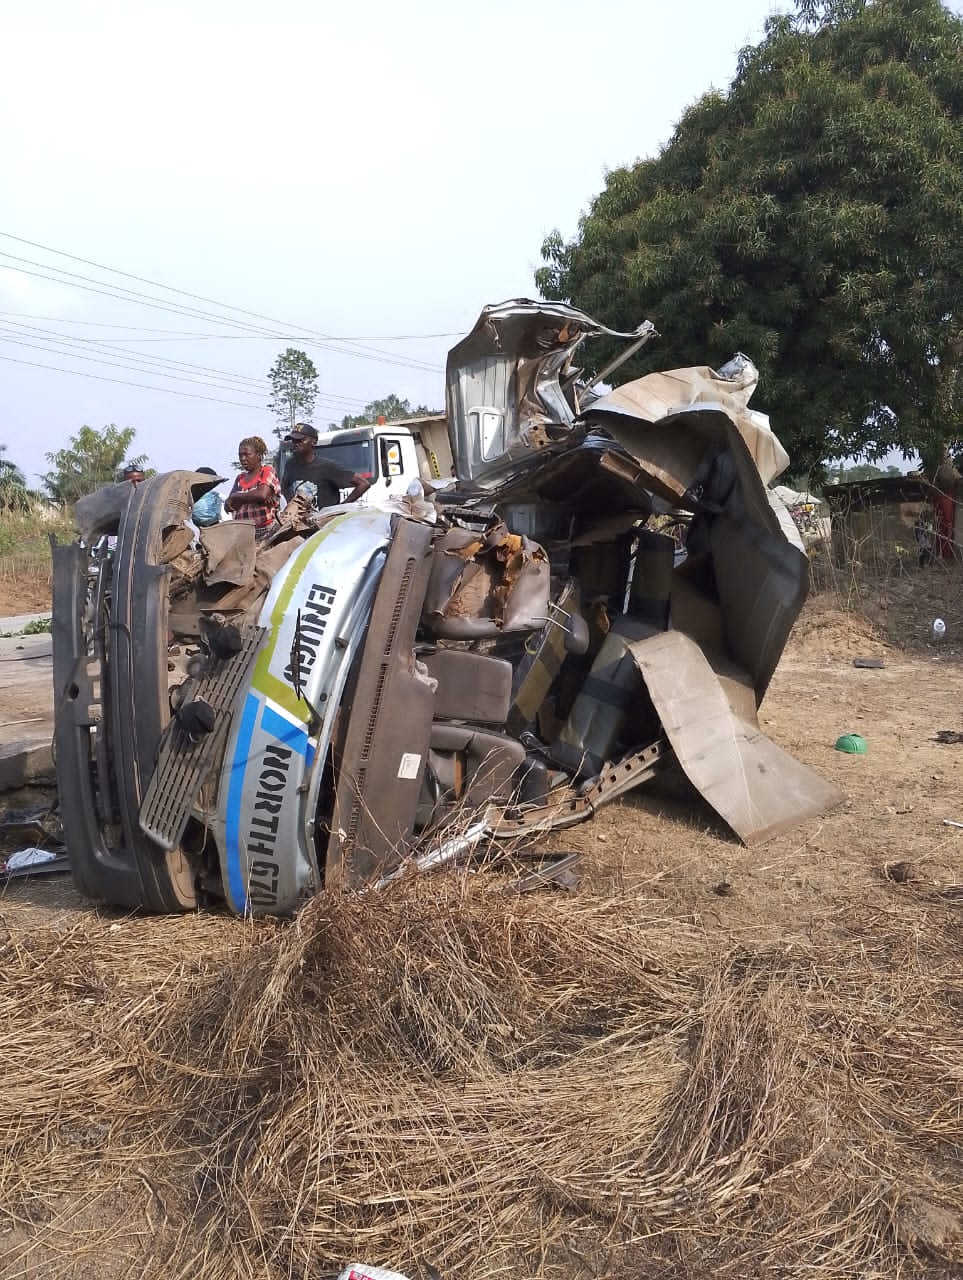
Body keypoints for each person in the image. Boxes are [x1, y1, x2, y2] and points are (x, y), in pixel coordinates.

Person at [280, 423, 370, 508]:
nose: (295, 443)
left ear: (313, 442)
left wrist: (341, 507)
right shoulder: (290, 465)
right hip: (300, 522)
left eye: (300, 440)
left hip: (324, 522)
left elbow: (363, 483)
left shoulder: (327, 467)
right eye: (293, 440)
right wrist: (291, 505)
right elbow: (284, 486)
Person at [224, 436, 280, 539]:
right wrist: (252, 497)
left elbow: (262, 494)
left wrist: (237, 496)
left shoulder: (266, 471)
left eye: (247, 455)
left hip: (267, 531)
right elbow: (229, 506)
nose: (243, 459)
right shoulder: (240, 478)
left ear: (258, 455)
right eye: (240, 455)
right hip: (244, 534)